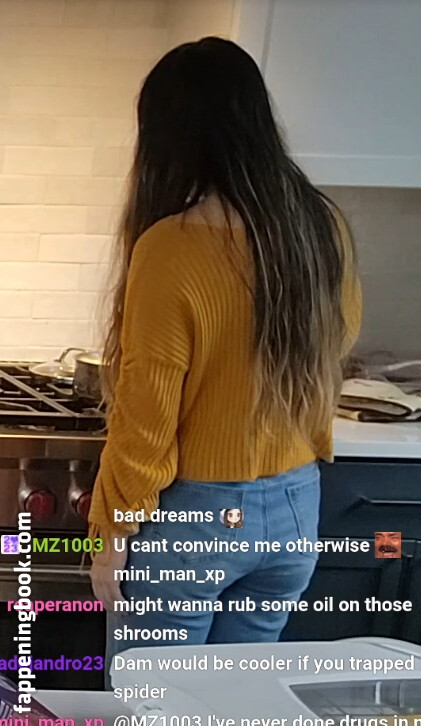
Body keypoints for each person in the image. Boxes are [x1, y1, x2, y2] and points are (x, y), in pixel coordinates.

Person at [88, 37, 362, 666]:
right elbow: (336, 347)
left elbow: (147, 415)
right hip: (296, 509)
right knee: (236, 702)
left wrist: (113, 531)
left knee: (155, 703)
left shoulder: (171, 247)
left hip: (196, 518)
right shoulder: (321, 228)